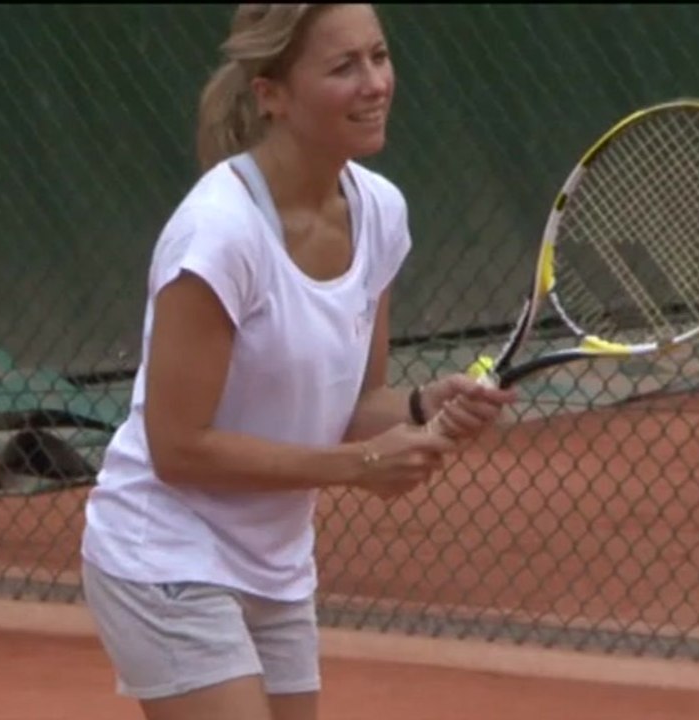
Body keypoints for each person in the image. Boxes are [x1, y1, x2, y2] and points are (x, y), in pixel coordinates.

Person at [79, 5, 517, 719]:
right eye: (344, 67)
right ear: (271, 96)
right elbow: (177, 448)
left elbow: (356, 405)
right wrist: (361, 468)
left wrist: (418, 407)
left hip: (277, 565)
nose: (374, 83)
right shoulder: (219, 236)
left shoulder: (380, 212)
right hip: (164, 553)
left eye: (379, 56)